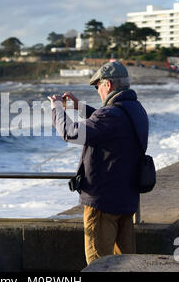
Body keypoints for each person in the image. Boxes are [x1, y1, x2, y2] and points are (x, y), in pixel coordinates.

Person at [49, 61, 149, 265]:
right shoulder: (136, 109)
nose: (98, 91)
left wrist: (57, 109)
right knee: (126, 264)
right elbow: (111, 122)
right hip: (126, 200)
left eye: (98, 86)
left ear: (109, 85)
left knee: (99, 265)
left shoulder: (111, 115)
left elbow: (71, 132)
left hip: (103, 203)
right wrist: (79, 107)